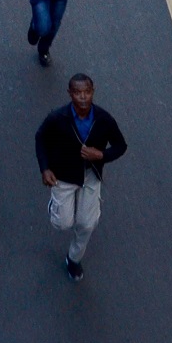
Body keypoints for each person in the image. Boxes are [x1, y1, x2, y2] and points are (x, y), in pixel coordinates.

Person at [35, 74, 127, 281]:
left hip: (90, 175)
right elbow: (40, 138)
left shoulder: (104, 120)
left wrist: (101, 155)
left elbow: (121, 146)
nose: (83, 97)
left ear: (93, 91)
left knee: (87, 224)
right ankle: (56, 205)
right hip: (63, 176)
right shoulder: (57, 118)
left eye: (87, 92)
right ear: (70, 94)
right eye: (78, 93)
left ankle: (73, 259)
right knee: (62, 223)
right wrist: (45, 168)